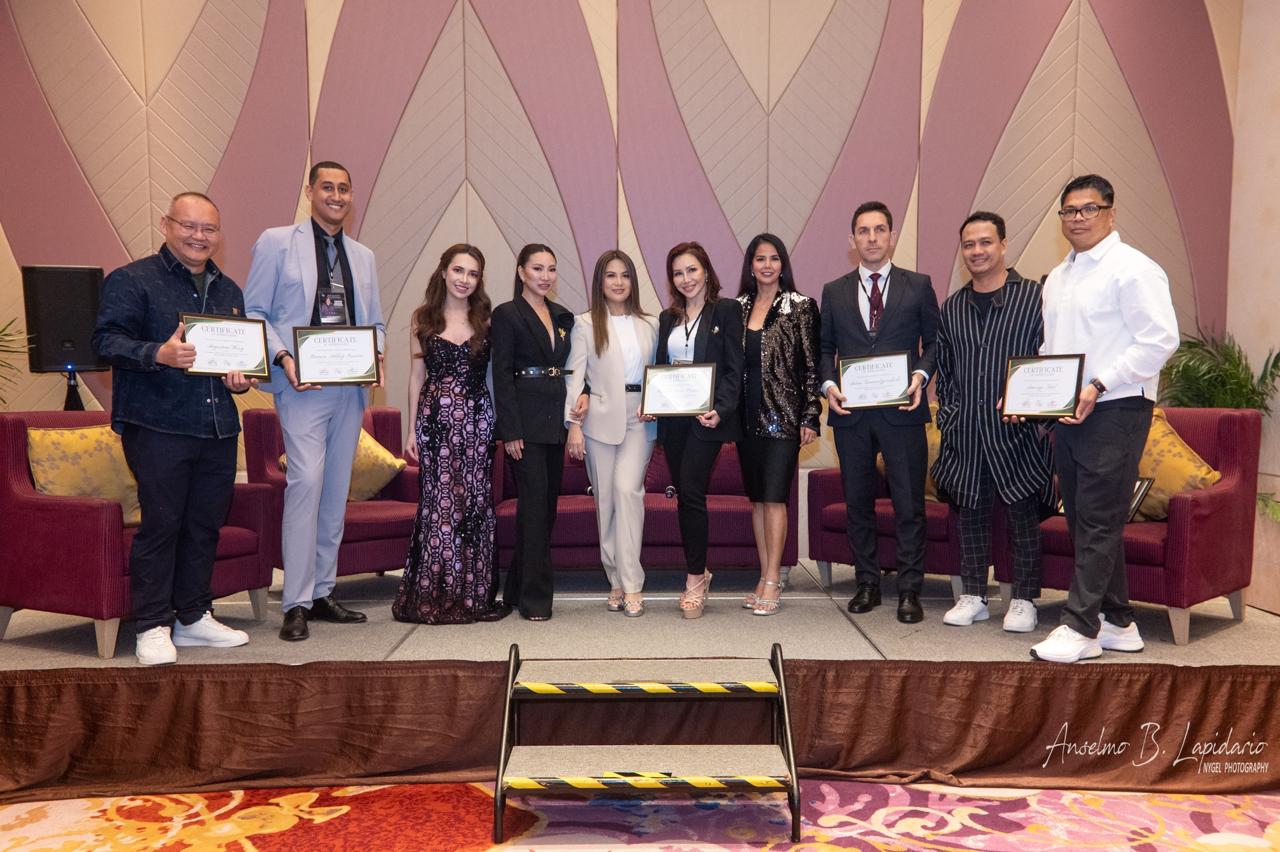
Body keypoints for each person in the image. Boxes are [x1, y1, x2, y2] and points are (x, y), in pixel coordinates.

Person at [92, 192, 254, 665]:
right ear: (166, 225)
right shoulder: (132, 280)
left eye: (209, 229)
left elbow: (237, 362)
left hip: (218, 427)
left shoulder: (229, 291)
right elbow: (104, 341)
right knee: (162, 526)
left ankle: (194, 616)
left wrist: (241, 379)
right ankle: (152, 624)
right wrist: (157, 353)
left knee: (205, 526)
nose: (199, 236)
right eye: (189, 226)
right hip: (158, 425)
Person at [1029, 175, 1178, 663]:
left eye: (1089, 209)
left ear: (1111, 213)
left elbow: (1160, 340)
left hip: (1116, 407)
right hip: (1070, 412)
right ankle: (1118, 621)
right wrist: (1032, 392)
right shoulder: (1058, 276)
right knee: (1083, 518)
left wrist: (1098, 384)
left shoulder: (1134, 269)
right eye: (1069, 211)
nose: (1078, 218)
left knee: (1097, 518)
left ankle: (1079, 626)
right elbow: (1052, 348)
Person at [244, 161, 386, 642]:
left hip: (350, 388)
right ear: (310, 192)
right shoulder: (276, 242)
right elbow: (255, 312)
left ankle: (323, 591)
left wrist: (377, 353)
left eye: (344, 189)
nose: (337, 196)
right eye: (328, 187)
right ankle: (296, 602)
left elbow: (376, 323)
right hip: (302, 387)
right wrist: (283, 357)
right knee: (305, 484)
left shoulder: (363, 256)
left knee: (334, 491)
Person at [931, 211, 1053, 633]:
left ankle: (1023, 599)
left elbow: (1049, 358)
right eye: (969, 245)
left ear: (1003, 245)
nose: (977, 251)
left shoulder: (1034, 298)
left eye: (985, 242)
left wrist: (1038, 412)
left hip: (1018, 429)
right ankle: (973, 595)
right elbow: (946, 371)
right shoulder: (953, 307)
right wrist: (950, 415)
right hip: (966, 430)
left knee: (1023, 517)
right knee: (970, 515)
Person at [820, 201, 939, 624]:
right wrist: (829, 386)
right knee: (858, 503)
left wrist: (921, 376)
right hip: (851, 414)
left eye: (879, 230)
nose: (871, 238)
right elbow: (824, 349)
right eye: (863, 231)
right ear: (852, 240)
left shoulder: (918, 285)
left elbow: (935, 342)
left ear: (891, 236)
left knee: (909, 504)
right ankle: (867, 583)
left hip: (902, 410)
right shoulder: (833, 291)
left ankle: (909, 589)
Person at [393, 244, 509, 624]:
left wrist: (500, 423)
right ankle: (436, 593)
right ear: (444, 271)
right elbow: (416, 377)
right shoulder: (422, 318)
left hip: (477, 421)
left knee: (474, 504)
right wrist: (411, 429)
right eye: (458, 270)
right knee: (440, 505)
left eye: (473, 274)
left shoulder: (486, 319)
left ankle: (474, 596)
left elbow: (494, 376)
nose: (464, 280)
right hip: (434, 422)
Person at [491, 244, 584, 621]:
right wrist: (510, 430)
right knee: (533, 510)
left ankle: (514, 589)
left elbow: (576, 366)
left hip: (555, 422)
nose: (545, 276)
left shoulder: (562, 315)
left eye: (551, 269)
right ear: (521, 272)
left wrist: (583, 396)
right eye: (537, 268)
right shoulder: (506, 314)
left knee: (545, 511)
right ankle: (535, 600)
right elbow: (501, 374)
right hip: (524, 425)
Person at [651, 242, 743, 618]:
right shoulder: (667, 318)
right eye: (678, 273)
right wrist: (651, 403)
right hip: (673, 418)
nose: (685, 279)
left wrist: (721, 409)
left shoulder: (727, 310)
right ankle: (700, 569)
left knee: (690, 488)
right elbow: (661, 367)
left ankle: (694, 579)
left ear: (705, 270)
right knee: (686, 495)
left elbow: (735, 368)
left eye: (692, 270)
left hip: (707, 418)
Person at [564, 251, 658, 617]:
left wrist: (657, 402)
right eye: (611, 276)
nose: (618, 282)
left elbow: (660, 370)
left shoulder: (650, 323)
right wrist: (574, 425)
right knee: (605, 500)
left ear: (633, 281)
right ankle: (615, 579)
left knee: (627, 491)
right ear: (600, 282)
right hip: (598, 421)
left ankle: (632, 584)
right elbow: (574, 377)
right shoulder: (585, 323)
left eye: (625, 275)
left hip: (641, 418)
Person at [734, 234, 820, 616]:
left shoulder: (800, 306)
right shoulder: (736, 308)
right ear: (750, 265)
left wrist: (810, 415)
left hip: (783, 417)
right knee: (757, 499)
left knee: (774, 498)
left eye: (773, 258)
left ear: (782, 264)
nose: (766, 265)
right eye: (759, 259)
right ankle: (763, 574)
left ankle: (773, 579)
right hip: (745, 419)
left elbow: (812, 366)